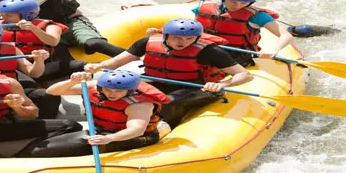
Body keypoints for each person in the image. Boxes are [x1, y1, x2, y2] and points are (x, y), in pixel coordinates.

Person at [84, 18, 253, 127]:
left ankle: (164, 127)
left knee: (168, 101)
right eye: (177, 38)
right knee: (118, 92)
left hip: (194, 87)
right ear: (165, 35)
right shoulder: (148, 42)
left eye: (189, 39)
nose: (183, 42)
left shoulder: (209, 51)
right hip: (158, 82)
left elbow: (245, 75)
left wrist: (223, 84)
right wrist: (97, 67)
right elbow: (116, 62)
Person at [17, 70, 169, 158]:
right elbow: (51, 91)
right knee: (39, 148)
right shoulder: (95, 88)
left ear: (130, 91)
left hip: (135, 137)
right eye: (108, 89)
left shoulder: (139, 104)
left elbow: (137, 130)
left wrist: (109, 138)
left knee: (43, 151)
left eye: (118, 91)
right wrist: (71, 82)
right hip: (100, 132)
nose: (111, 94)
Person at [194, 0, 293, 67]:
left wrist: (274, 50)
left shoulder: (258, 16)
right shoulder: (206, 9)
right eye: (233, 2)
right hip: (203, 47)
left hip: (236, 55)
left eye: (243, 3)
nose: (237, 6)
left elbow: (286, 35)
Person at [0, 0, 86, 87]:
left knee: (81, 66)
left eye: (8, 15)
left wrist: (34, 29)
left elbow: (53, 41)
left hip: (42, 64)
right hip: (14, 65)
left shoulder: (49, 26)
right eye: (1, 14)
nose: (3, 18)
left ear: (26, 15)